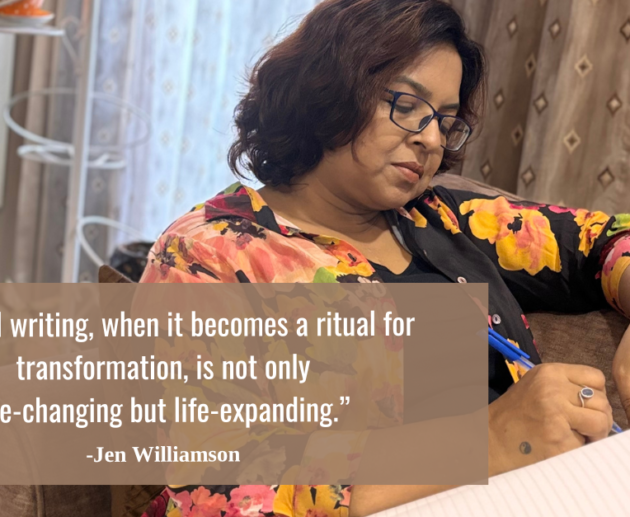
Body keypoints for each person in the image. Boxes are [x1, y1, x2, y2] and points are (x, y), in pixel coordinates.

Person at [139, 0, 630, 515]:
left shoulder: (445, 216)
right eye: (407, 105)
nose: (432, 138)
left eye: (445, 119)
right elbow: (214, 490)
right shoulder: (207, 253)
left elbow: (603, 238)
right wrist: (486, 440)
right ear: (327, 90)